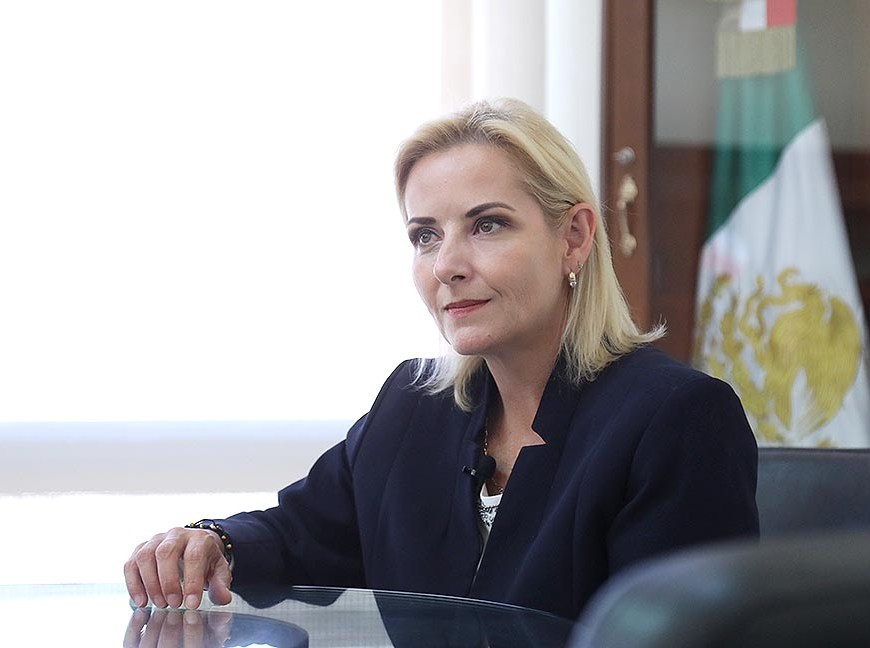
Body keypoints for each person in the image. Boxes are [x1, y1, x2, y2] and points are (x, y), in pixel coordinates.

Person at [124, 98, 759, 620]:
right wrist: (213, 542)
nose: (447, 265)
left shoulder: (677, 418)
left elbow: (679, 637)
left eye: (487, 225)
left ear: (574, 237)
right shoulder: (414, 403)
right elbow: (300, 532)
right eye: (425, 235)